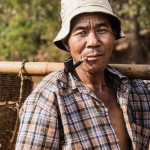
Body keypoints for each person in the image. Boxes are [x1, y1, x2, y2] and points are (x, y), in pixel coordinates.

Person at [16, 0, 150, 149]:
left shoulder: (138, 91)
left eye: (101, 30)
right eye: (81, 33)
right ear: (67, 43)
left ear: (114, 36)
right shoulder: (47, 101)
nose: (93, 42)